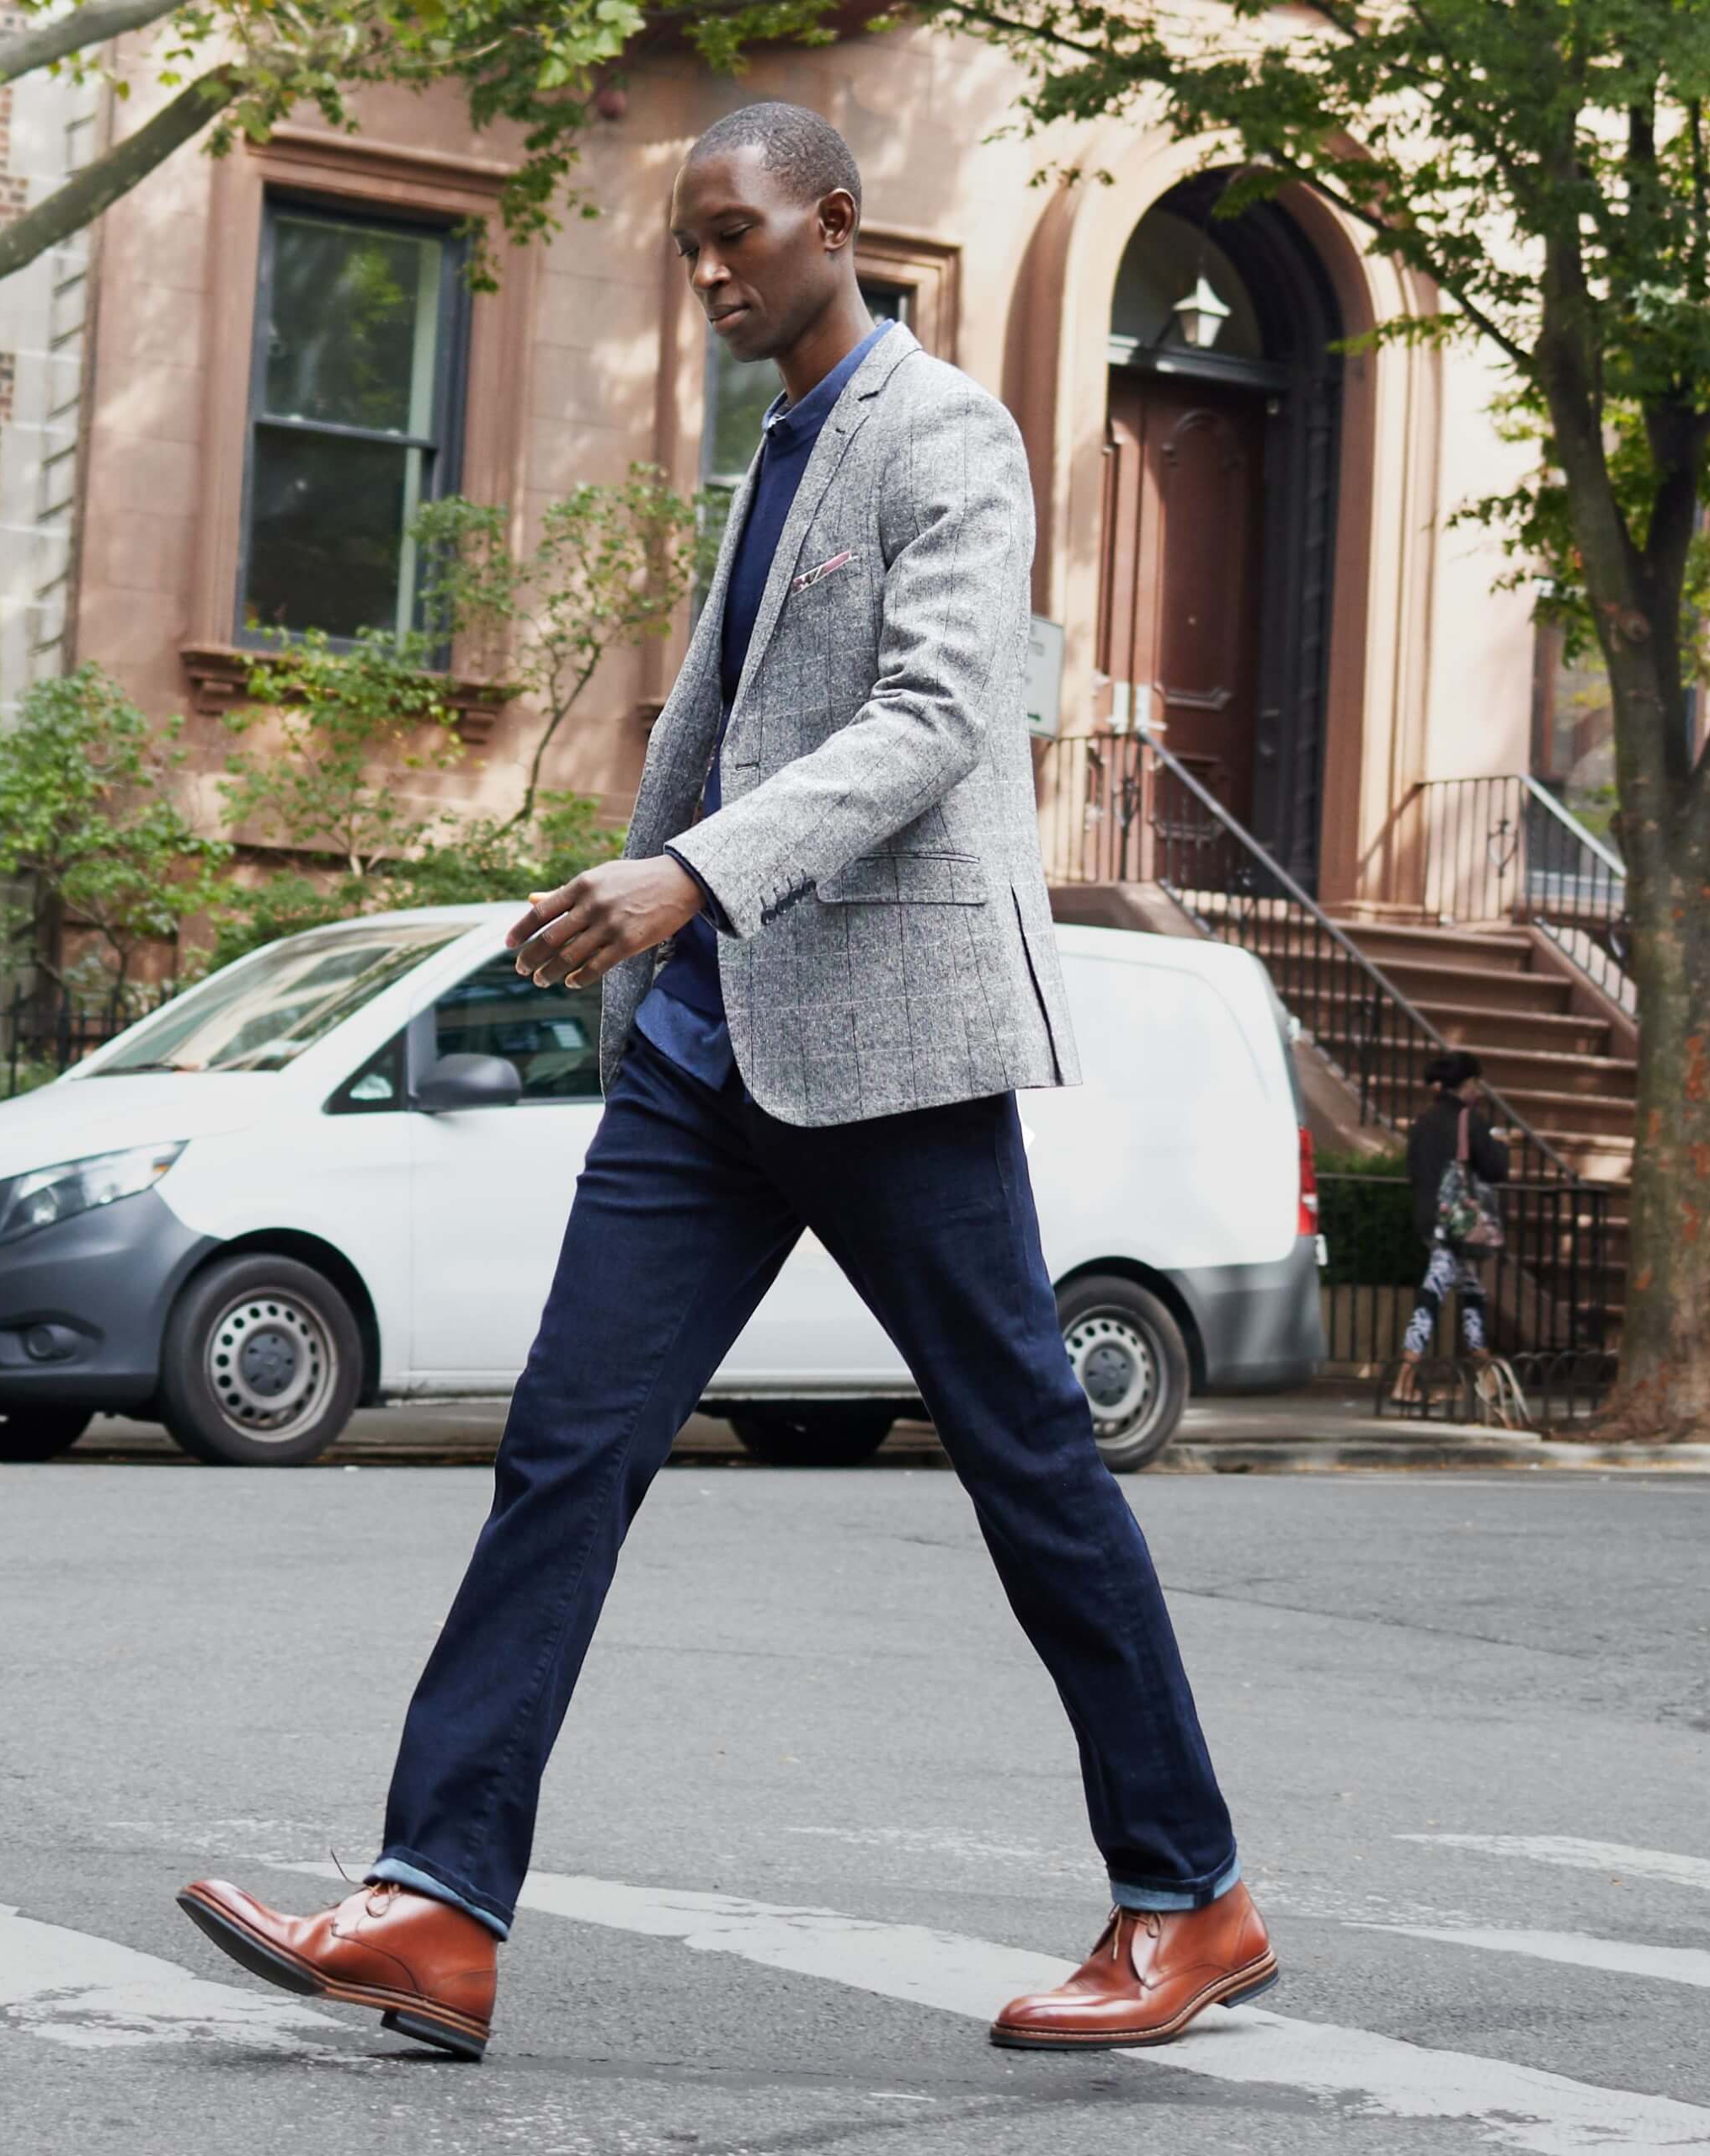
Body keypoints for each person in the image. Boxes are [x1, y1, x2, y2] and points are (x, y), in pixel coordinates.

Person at [177, 101, 1273, 2062]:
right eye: (686, 243)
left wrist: (691, 872)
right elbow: (714, 718)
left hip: (884, 1047)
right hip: (705, 1046)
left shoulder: (939, 430)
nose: (705, 273)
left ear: (833, 224)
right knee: (564, 1444)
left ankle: (1185, 1893)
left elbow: (935, 716)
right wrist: (630, 899)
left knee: (1025, 1458)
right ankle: (435, 1900)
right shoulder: (775, 443)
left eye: (733, 235)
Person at [1390, 1049, 1512, 1404]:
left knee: (1471, 1292)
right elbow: (1494, 1169)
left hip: (1432, 1218)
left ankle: (1485, 1373)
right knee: (1433, 1293)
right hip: (1457, 1223)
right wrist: (1502, 1145)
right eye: (1476, 1082)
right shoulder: (1468, 1120)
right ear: (1466, 1084)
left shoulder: (1424, 1121)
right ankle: (1405, 1378)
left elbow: (1413, 1170)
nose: (1479, 1090)